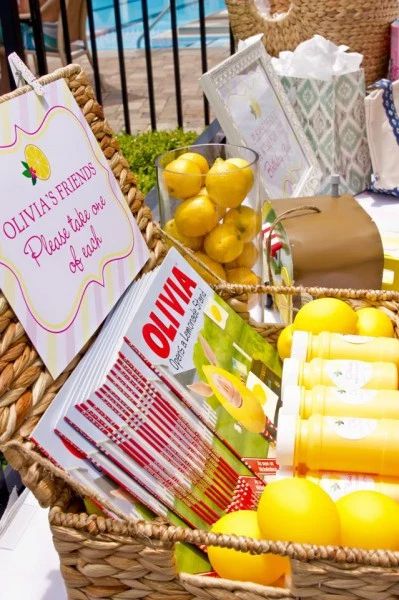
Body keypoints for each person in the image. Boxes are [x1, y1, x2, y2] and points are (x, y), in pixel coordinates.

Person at [0, 0, 60, 93]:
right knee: (6, 49)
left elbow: (25, 11)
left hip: (44, 38)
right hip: (63, 33)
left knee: (7, 41)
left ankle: (17, 90)